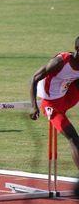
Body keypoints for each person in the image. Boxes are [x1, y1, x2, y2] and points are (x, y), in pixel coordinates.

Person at [29, 36, 79, 171]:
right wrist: (34, 107)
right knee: (74, 138)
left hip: (66, 97)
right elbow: (33, 79)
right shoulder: (60, 62)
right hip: (51, 103)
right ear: (78, 50)